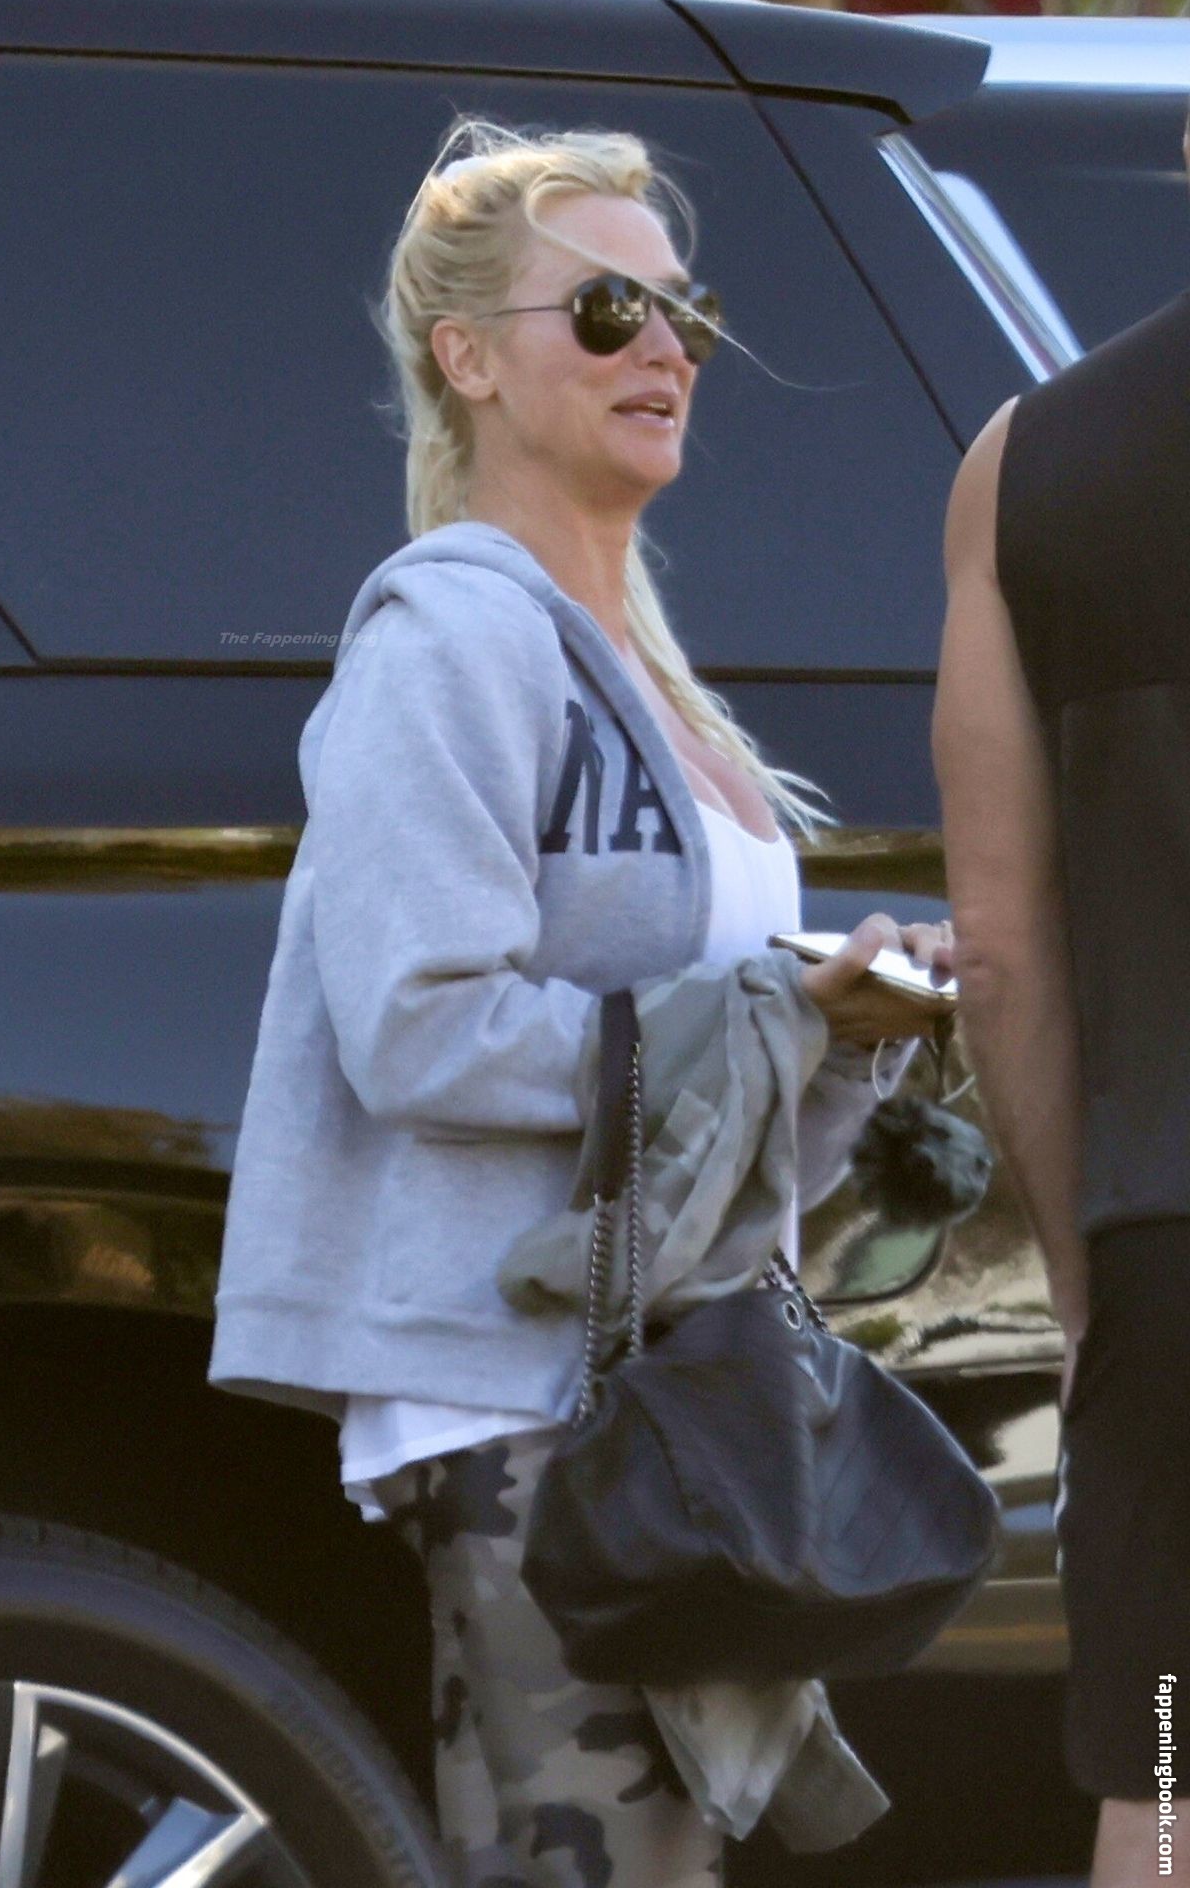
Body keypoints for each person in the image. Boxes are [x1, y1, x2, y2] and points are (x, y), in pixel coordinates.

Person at [209, 115, 953, 1888]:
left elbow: (719, 1111)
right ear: (468, 359)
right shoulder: (447, 641)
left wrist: (847, 1029)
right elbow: (417, 1026)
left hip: (679, 1397)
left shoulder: (661, 691)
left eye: (687, 312)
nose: (667, 348)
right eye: (610, 310)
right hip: (529, 1396)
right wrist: (759, 1015)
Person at [932, 101, 1190, 1888]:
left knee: (1165, 1773)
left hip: (1169, 1245)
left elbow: (1002, 948)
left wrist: (1092, 1287)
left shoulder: (1028, 464)